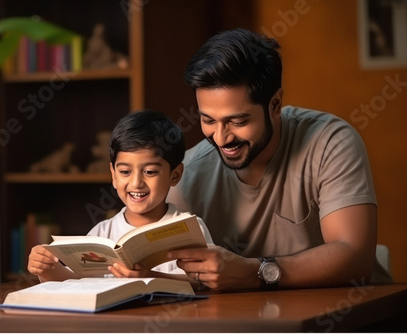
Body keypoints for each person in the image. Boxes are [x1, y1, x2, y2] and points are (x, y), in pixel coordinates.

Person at [166, 28, 392, 291]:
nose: (220, 137)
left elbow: (355, 259)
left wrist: (254, 272)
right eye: (208, 120)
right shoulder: (187, 173)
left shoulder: (331, 142)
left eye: (237, 121)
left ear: (275, 105)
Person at [28, 110, 214, 287]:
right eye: (125, 172)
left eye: (149, 172)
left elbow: (204, 281)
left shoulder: (190, 228)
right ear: (114, 175)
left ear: (175, 175)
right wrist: (47, 268)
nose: (136, 183)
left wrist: (152, 278)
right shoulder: (101, 233)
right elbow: (73, 281)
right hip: (116, 320)